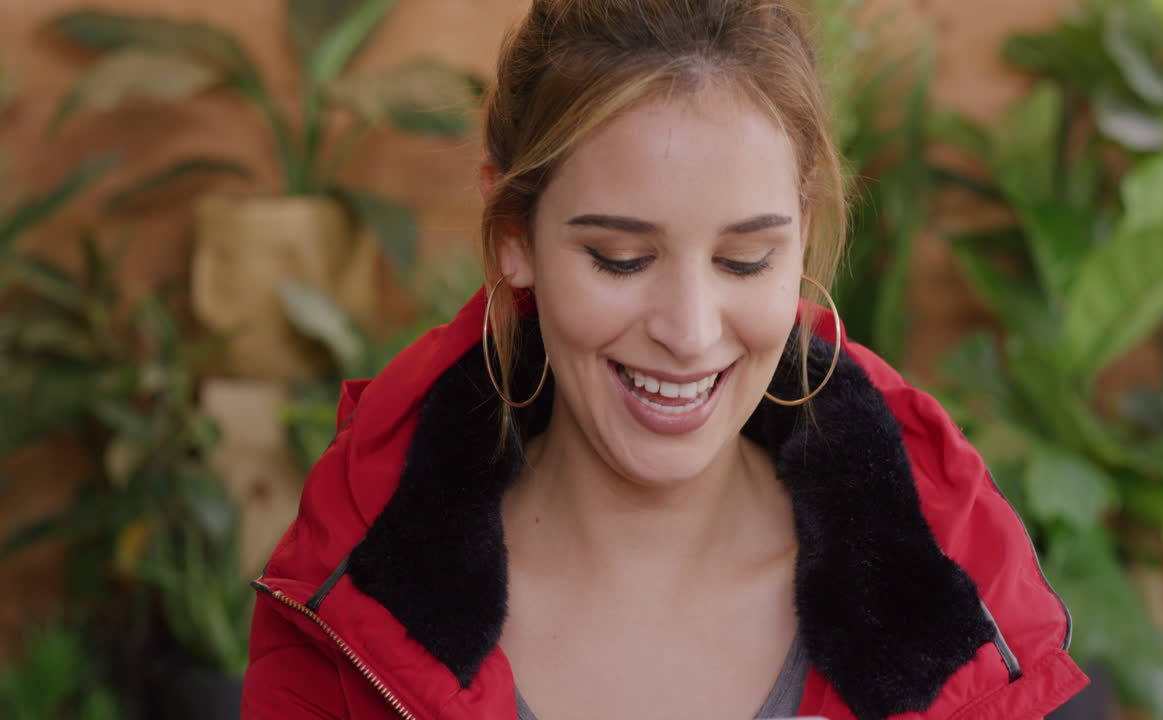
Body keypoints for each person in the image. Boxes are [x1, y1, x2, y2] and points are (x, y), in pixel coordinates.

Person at [240, 1, 1089, 718]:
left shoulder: (962, 612)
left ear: (804, 236)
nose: (688, 331)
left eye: (745, 260)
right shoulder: (345, 610)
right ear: (514, 241)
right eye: (619, 258)